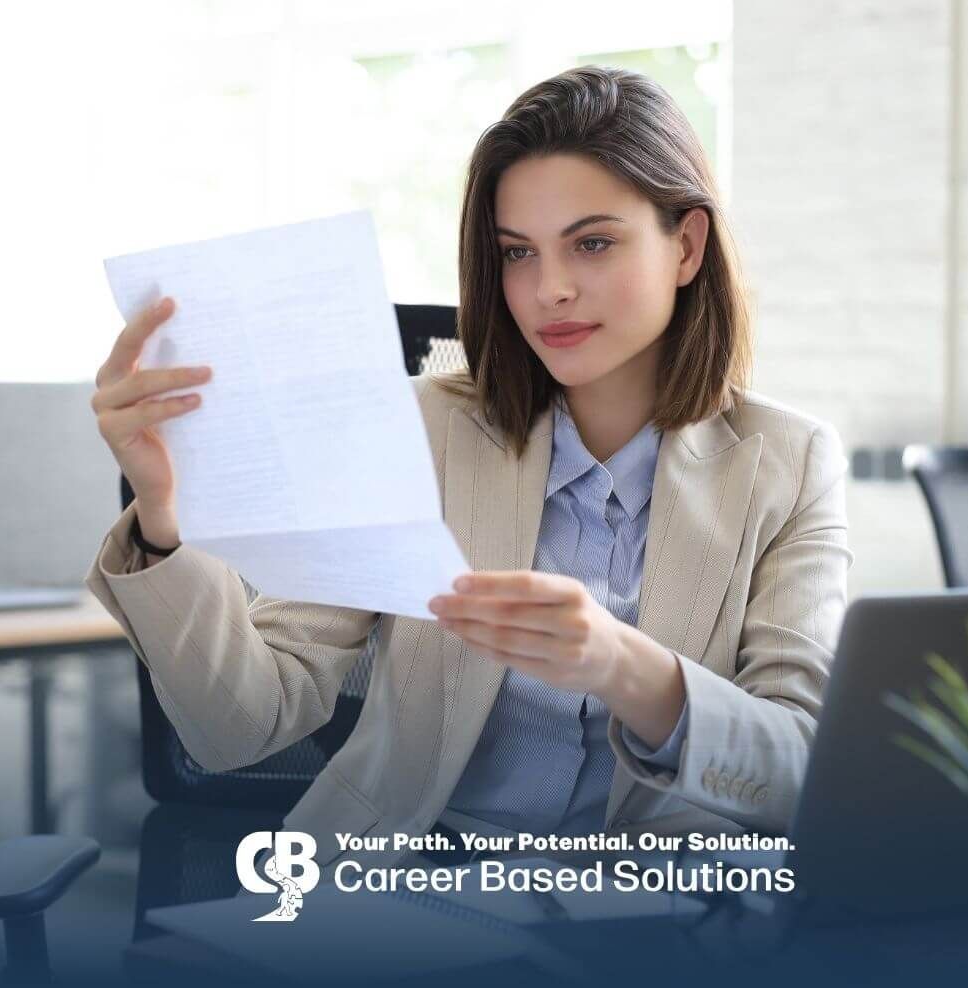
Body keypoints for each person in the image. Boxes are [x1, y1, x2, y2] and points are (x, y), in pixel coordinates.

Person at [86, 65, 852, 869]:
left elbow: (794, 770)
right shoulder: (416, 431)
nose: (548, 290)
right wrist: (166, 514)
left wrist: (622, 665)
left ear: (686, 246)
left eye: (592, 243)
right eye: (517, 253)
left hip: (650, 909)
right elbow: (241, 726)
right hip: (410, 887)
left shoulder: (790, 464)